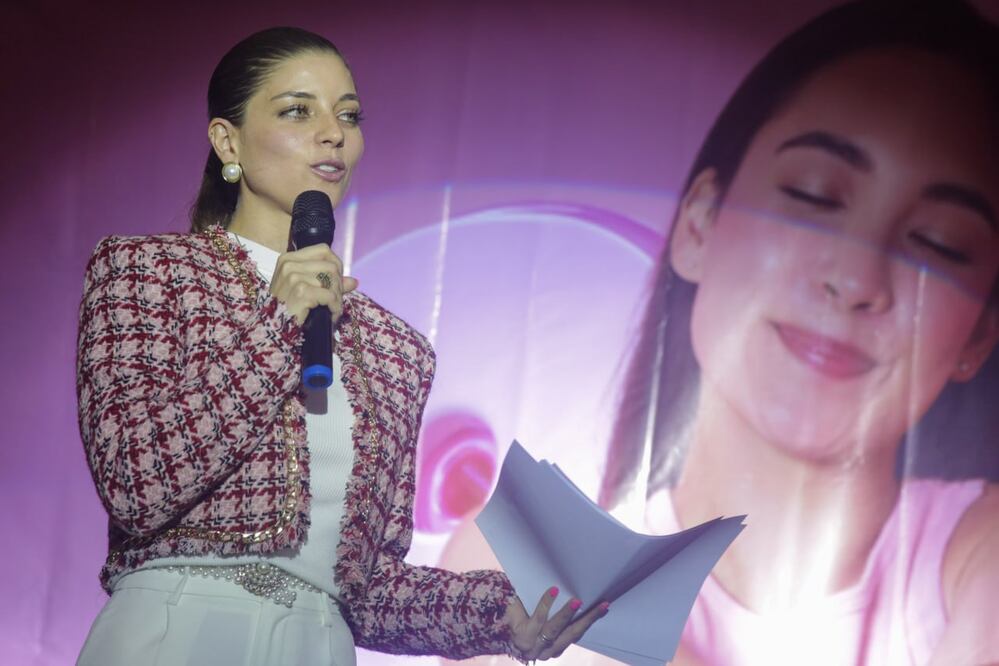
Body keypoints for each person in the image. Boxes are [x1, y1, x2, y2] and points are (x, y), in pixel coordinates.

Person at [75, 27, 606, 665]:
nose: (334, 133)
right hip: (173, 629)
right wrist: (280, 320)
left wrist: (500, 617)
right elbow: (136, 479)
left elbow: (368, 587)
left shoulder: (395, 350)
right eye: (299, 111)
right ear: (228, 140)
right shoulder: (147, 272)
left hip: (317, 643)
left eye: (348, 115)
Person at [598, 1, 999, 664]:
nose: (856, 278)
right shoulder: (527, 563)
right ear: (699, 225)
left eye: (936, 244)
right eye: (813, 195)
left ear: (976, 339)